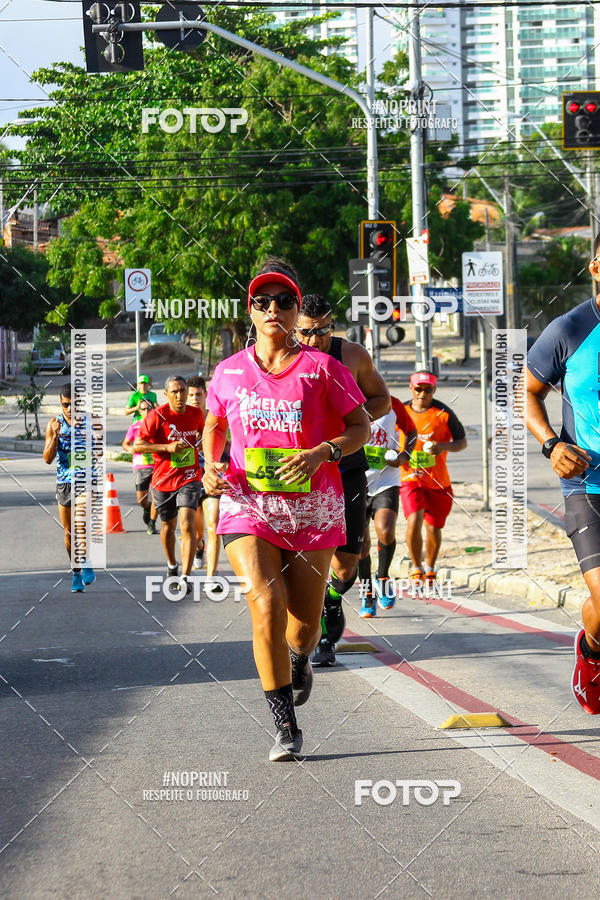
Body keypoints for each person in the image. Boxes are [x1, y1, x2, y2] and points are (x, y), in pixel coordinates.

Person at [202, 260, 370, 761]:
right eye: (262, 301)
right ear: (249, 310)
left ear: (298, 310)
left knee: (303, 624)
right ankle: (284, 725)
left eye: (284, 301)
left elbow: (359, 427)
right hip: (246, 503)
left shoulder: (325, 369)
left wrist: (323, 452)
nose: (273, 309)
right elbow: (213, 425)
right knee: (265, 607)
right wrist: (211, 465)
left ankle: (301, 658)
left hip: (313, 507)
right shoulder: (228, 371)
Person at [295, 293, 390, 666]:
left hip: (346, 464)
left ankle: (332, 602)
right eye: (307, 332)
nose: (315, 340)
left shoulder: (351, 354)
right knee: (307, 558)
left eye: (323, 331)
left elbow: (381, 397)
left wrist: (352, 416)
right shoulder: (281, 354)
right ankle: (313, 632)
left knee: (347, 563)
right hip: (298, 469)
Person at [526, 243, 600, 715]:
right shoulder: (569, 328)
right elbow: (530, 391)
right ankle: (591, 653)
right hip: (589, 484)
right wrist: (552, 444)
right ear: (596, 267)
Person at [134, 376, 205, 593]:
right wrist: (167, 448)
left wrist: (201, 443)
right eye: (174, 392)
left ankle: (186, 576)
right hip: (164, 480)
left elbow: (201, 436)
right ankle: (172, 565)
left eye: (183, 391)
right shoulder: (157, 416)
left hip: (190, 476)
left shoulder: (196, 414)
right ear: (166, 394)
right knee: (168, 527)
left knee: (187, 524)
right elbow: (138, 445)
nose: (180, 395)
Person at [398, 371, 466, 584]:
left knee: (434, 527)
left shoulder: (443, 413)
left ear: (433, 390)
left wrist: (442, 447)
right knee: (414, 519)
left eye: (428, 389)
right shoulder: (401, 411)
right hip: (410, 477)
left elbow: (462, 441)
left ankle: (430, 568)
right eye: (418, 388)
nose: (422, 393)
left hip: (438, 481)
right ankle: (416, 567)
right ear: (411, 388)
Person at [357, 398, 417, 617]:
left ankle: (382, 577)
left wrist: (403, 456)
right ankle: (367, 595)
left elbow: (412, 432)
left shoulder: (392, 404)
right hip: (356, 481)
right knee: (360, 547)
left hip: (386, 479)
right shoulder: (346, 400)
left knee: (386, 529)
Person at [42, 382, 96, 593]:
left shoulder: (91, 421)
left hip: (86, 480)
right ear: (61, 403)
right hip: (64, 482)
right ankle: (76, 572)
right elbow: (47, 459)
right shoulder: (54, 423)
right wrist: (55, 436)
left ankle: (87, 562)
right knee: (69, 533)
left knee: (81, 524)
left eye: (75, 404)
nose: (71, 409)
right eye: (66, 405)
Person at [121, 398, 158, 535]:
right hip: (140, 466)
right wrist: (130, 450)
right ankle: (147, 508)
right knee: (141, 499)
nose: (146, 411)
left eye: (149, 408)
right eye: (143, 409)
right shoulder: (135, 426)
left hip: (156, 465)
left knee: (157, 496)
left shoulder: (158, 425)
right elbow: (125, 443)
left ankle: (152, 523)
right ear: (139, 412)